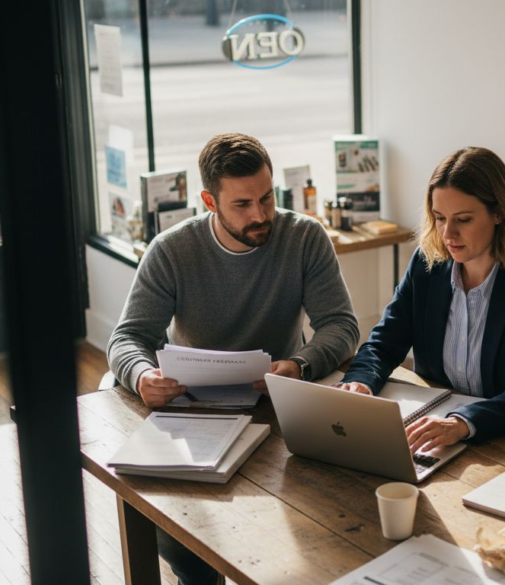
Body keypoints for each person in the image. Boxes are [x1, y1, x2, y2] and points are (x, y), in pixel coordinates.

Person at [107, 132, 359, 585]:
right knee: (188, 543)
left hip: (277, 408)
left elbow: (341, 325)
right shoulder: (172, 250)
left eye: (267, 198)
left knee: (317, 526)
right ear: (209, 200)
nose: (261, 215)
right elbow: (128, 337)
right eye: (242, 205)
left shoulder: (304, 238)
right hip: (191, 411)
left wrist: (299, 365)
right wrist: (143, 375)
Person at [337, 147, 505, 452]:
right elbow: (384, 342)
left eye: (463, 219)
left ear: (499, 212)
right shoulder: (426, 265)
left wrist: (462, 422)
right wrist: (361, 382)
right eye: (439, 218)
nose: (448, 233)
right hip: (433, 430)